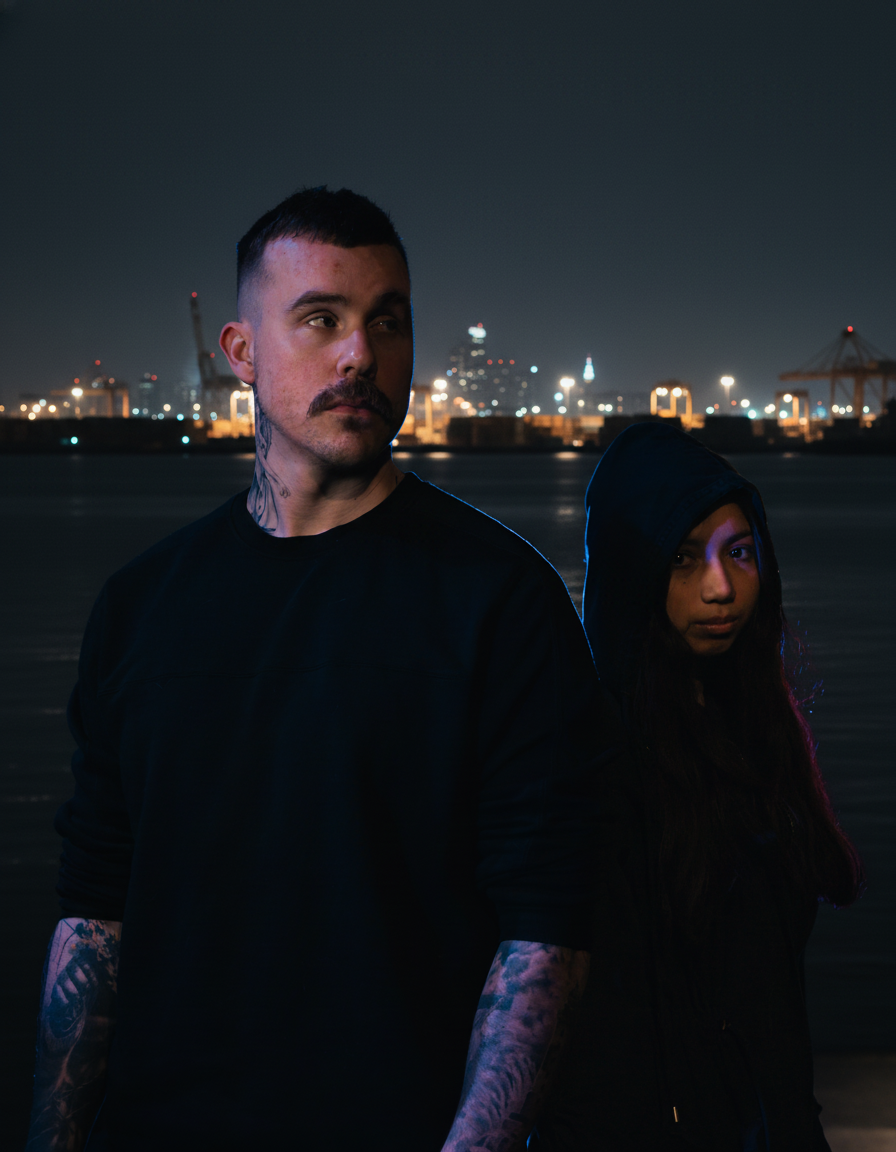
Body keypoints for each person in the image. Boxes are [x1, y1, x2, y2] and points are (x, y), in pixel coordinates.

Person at [26, 187, 619, 1151]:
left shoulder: (499, 600)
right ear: (242, 353)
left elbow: (548, 930)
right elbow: (95, 914)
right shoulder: (142, 608)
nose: (361, 354)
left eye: (388, 321)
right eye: (321, 319)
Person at [534, 422, 863, 1151]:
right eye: (683, 559)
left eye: (740, 552)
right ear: (634, 570)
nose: (721, 588)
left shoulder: (754, 733)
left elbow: (773, 1008)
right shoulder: (595, 768)